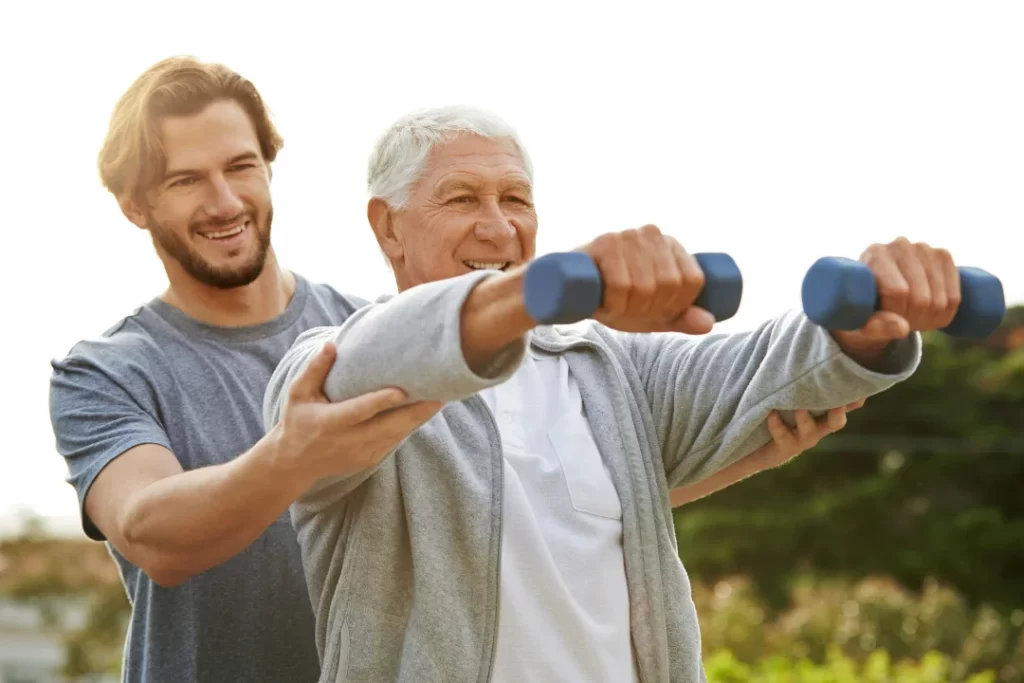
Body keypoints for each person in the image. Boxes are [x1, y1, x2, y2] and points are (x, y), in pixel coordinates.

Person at [262, 107, 949, 682]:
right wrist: (546, 288)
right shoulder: (328, 364)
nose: (499, 228)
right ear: (388, 226)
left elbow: (764, 372)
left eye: (516, 200)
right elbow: (382, 355)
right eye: (462, 198)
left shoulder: (608, 369)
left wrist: (859, 330)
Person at [47, 56, 444, 683]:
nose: (224, 202)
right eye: (185, 181)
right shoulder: (103, 373)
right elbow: (155, 537)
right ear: (134, 206)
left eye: (241, 167)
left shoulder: (372, 332)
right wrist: (296, 454)